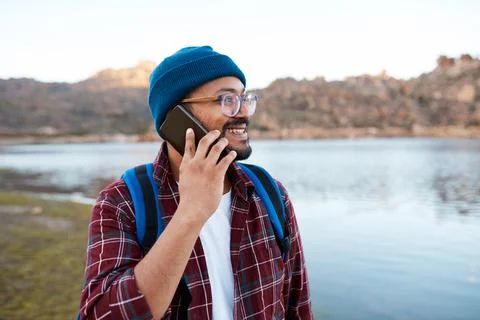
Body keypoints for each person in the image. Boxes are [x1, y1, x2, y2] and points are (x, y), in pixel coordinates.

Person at [79, 46, 313, 319]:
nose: (244, 113)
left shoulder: (270, 194)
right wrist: (190, 214)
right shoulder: (121, 203)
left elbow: (298, 307)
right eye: (227, 99)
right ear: (177, 117)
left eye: (245, 99)